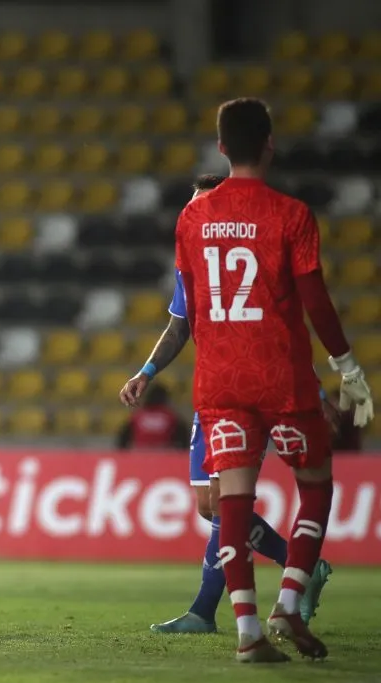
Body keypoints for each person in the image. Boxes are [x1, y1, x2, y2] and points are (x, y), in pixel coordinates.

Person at [175, 98, 374, 662]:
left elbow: (193, 304)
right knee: (315, 484)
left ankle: (247, 632)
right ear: (270, 144)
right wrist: (346, 368)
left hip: (221, 383)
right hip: (281, 379)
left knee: (232, 503)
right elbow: (315, 299)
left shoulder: (192, 217)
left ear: (219, 147)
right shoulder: (291, 214)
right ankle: (287, 602)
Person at [121, 174, 335, 637]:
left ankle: (205, 612)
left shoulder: (251, 256)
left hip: (252, 391)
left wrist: (315, 388)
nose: (194, 212)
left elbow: (286, 325)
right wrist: (146, 373)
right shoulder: (192, 263)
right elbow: (179, 327)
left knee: (225, 502)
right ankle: (298, 565)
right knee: (207, 505)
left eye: (202, 202)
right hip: (212, 388)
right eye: (191, 203)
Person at [115, 383, 187, 450]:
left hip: (140, 456)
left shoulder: (137, 416)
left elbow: (122, 438)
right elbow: (184, 439)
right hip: (164, 456)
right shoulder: (170, 417)